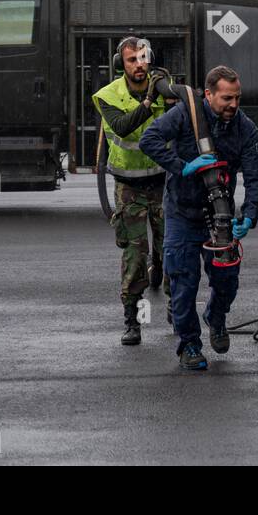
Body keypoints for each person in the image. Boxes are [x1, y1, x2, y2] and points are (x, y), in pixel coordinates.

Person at [139, 65, 258, 371]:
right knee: (183, 283)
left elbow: (255, 179)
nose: (233, 105)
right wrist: (182, 166)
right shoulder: (185, 115)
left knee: (227, 282)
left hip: (218, 216)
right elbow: (149, 140)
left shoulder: (244, 128)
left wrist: (248, 216)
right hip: (182, 212)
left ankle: (216, 317)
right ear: (208, 95)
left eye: (237, 98)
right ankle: (190, 345)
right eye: (226, 98)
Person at [92, 36, 169, 346]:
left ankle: (177, 313)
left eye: (142, 58)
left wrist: (167, 91)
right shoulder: (107, 95)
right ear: (119, 65)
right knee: (135, 256)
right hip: (130, 187)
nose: (139, 65)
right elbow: (122, 127)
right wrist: (150, 102)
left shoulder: (165, 86)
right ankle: (134, 322)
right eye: (131, 60)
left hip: (164, 183)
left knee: (172, 252)